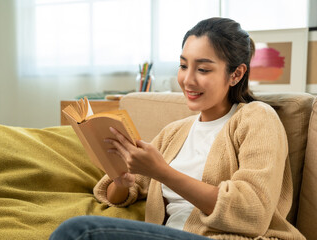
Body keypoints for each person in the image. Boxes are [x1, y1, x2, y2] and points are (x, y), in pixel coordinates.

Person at [50, 17, 305, 240]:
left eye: (203, 69)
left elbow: (252, 213)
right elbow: (117, 195)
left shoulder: (257, 118)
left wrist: (163, 172)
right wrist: (120, 181)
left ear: (236, 75)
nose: (187, 80)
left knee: (80, 232)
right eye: (183, 66)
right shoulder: (175, 132)